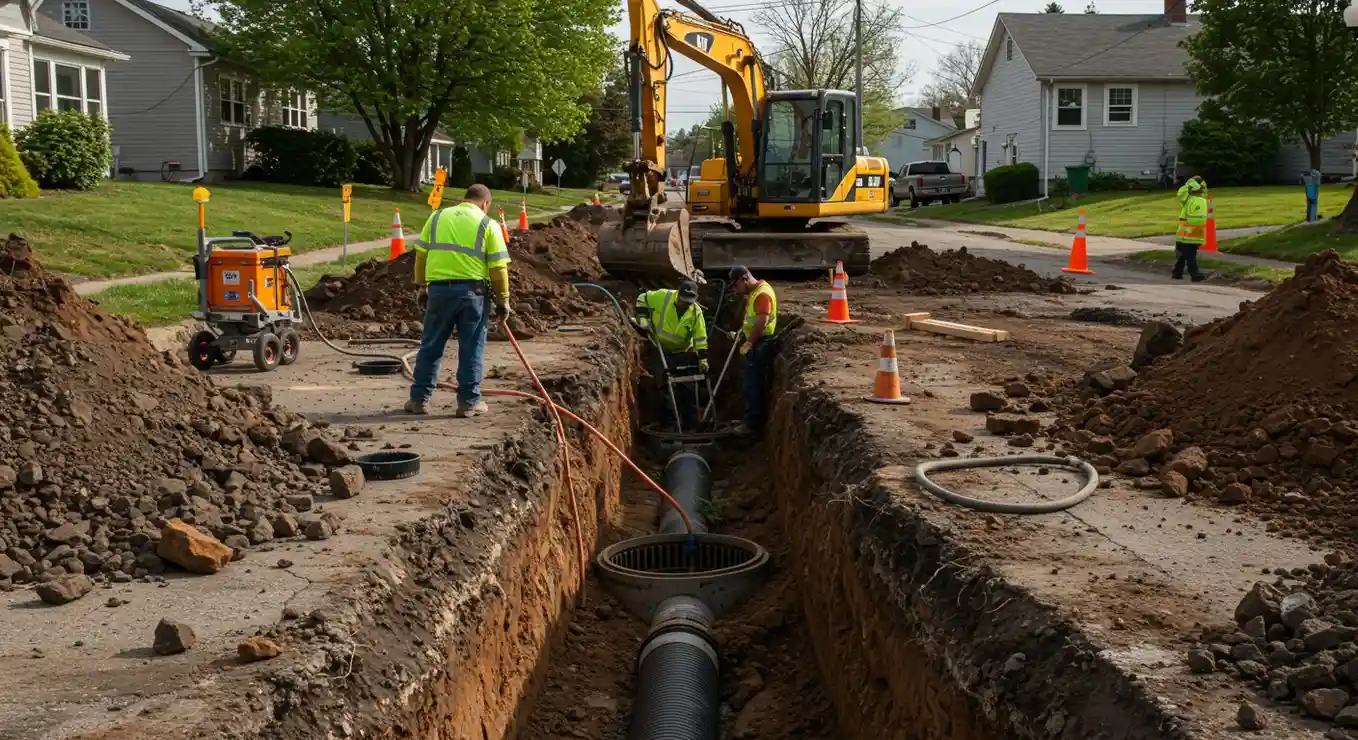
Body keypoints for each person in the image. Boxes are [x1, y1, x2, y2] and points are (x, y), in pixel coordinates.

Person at [405, 184, 512, 417]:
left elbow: (421, 256)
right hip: (473, 295)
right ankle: (468, 403)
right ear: (486, 203)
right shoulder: (487, 224)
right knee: (472, 347)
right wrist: (503, 300)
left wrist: (422, 285)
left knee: (431, 345)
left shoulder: (437, 217)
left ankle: (419, 400)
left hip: (439, 292)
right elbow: (498, 268)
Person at [633, 281, 708, 431]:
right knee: (665, 388)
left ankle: (691, 426)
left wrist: (703, 358)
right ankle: (669, 425)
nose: (685, 305)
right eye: (683, 301)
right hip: (661, 349)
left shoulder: (695, 312)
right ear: (678, 294)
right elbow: (642, 298)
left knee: (688, 388)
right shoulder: (663, 296)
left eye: (688, 303)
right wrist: (643, 318)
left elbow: (700, 337)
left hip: (683, 352)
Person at [727, 266, 777, 437]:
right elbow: (751, 320)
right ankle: (748, 418)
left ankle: (752, 424)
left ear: (744, 279)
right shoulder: (754, 293)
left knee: (752, 383)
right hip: (757, 341)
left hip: (762, 343)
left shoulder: (762, 294)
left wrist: (749, 343)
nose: (735, 289)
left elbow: (761, 323)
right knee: (749, 381)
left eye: (736, 285)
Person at [1173, 175, 1209, 282]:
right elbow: (1181, 193)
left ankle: (1178, 271)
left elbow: (1182, 194)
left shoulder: (1194, 199)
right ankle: (1194, 273)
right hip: (1190, 232)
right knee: (1189, 254)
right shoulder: (1190, 198)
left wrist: (1191, 183)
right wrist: (1191, 183)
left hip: (1190, 232)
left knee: (1185, 254)